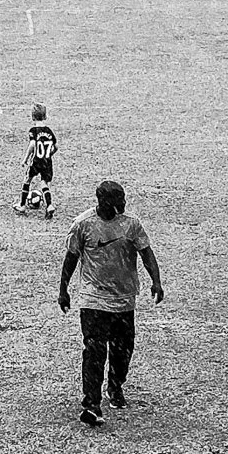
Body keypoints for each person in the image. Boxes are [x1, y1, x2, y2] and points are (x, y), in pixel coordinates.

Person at [59, 180, 164, 427]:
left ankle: (115, 386)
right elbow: (71, 257)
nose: (123, 204)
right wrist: (63, 289)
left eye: (123, 199)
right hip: (93, 299)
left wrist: (156, 282)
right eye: (118, 201)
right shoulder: (83, 225)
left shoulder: (131, 225)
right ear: (103, 202)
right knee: (94, 350)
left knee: (122, 351)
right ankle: (92, 405)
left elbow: (146, 253)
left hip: (124, 300)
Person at [16, 102, 58, 219]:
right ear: (45, 116)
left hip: (36, 161)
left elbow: (32, 144)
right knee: (44, 183)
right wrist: (49, 154)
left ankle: (22, 205)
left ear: (33, 117)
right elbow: (56, 146)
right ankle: (49, 205)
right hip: (47, 161)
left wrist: (25, 159)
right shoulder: (49, 131)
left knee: (27, 179)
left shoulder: (33, 130)